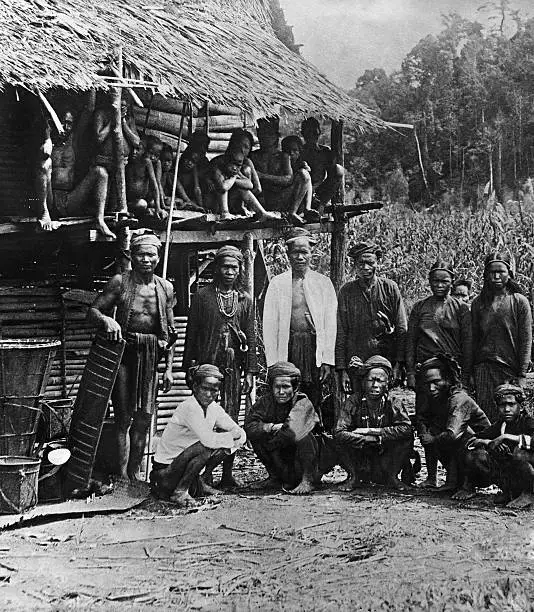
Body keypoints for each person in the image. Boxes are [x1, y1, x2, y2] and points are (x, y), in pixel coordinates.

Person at [87, 231, 176, 481]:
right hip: (124, 355)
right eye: (140, 254)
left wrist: (167, 368)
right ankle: (122, 474)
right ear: (131, 256)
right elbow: (92, 310)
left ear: (158, 257)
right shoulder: (120, 282)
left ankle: (136, 473)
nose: (146, 259)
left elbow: (170, 334)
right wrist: (106, 320)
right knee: (124, 417)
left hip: (151, 357)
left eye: (151, 254)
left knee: (144, 419)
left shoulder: (165, 288)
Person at [182, 245, 257, 488]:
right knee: (206, 419)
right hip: (208, 365)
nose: (229, 272)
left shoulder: (245, 300)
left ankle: (226, 473)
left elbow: (251, 336)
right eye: (225, 266)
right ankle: (202, 474)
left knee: (231, 418)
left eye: (234, 267)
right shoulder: (203, 297)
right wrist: (189, 367)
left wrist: (251, 371)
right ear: (217, 268)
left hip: (233, 367)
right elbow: (191, 334)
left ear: (240, 270)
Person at [406, 260, 472, 487]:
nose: (440, 285)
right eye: (435, 280)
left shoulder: (461, 309)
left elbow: (467, 345)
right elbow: (411, 341)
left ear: (452, 282)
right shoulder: (420, 307)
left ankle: (452, 475)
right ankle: (431, 475)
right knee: (425, 418)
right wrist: (410, 371)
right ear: (429, 282)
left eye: (445, 280)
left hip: (450, 374)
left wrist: (463, 378)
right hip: (426, 371)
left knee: (449, 421)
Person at [150, 364, 246, 507]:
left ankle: (201, 481)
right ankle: (180, 492)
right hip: (166, 473)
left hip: (183, 468)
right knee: (206, 446)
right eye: (205, 389)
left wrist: (236, 436)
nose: (209, 394)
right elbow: (208, 441)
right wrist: (231, 436)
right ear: (195, 387)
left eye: (214, 390)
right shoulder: (189, 407)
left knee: (223, 441)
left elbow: (239, 432)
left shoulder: (213, 408)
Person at [263, 228, 337, 409]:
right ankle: (288, 432)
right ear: (288, 255)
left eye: (304, 252)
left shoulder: (323, 283)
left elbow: (331, 323)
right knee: (287, 392)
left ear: (312, 254)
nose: (300, 257)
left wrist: (327, 359)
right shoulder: (277, 284)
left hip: (313, 348)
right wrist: (272, 363)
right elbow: (269, 326)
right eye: (295, 253)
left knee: (313, 393)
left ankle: (313, 432)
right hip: (288, 346)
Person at [245, 361, 337, 495]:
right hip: (281, 457)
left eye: (286, 387)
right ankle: (275, 477)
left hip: (308, 461)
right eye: (277, 387)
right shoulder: (265, 402)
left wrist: (273, 438)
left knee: (303, 435)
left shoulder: (302, 401)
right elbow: (249, 426)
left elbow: (292, 432)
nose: (281, 392)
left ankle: (308, 480)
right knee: (257, 435)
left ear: (294, 388)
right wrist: (271, 427)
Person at [336, 242, 407, 394]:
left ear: (377, 263)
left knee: (384, 402)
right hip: (356, 359)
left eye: (370, 263)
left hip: (385, 358)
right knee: (358, 404)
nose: (366, 268)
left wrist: (399, 364)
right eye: (361, 263)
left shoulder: (390, 288)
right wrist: (342, 370)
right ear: (354, 264)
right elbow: (341, 331)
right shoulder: (346, 291)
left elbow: (402, 329)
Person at [334, 356, 413, 491]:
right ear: (364, 382)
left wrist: (374, 433)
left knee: (406, 439)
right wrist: (362, 438)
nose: (375, 385)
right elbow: (339, 431)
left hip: (385, 451)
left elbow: (406, 428)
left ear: (387, 383)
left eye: (380, 381)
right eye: (371, 380)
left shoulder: (393, 401)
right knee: (338, 441)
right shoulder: (353, 401)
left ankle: (393, 476)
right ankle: (353, 476)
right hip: (360, 449)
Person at [472, 252, 532, 422]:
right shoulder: (479, 303)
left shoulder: (519, 301)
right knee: (486, 417)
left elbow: (525, 340)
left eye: (501, 271)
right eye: (492, 272)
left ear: (510, 273)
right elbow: (472, 340)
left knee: (509, 416)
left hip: (509, 369)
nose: (496, 276)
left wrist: (521, 374)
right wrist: (469, 373)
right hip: (484, 370)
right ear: (485, 274)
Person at [452, 383, 534, 508]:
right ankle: (508, 491)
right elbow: (476, 438)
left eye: (511, 404)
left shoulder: (528, 422)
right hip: (511, 475)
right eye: (502, 405)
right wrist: (489, 443)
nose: (506, 409)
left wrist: (506, 437)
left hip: (530, 475)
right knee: (476, 456)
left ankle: (528, 494)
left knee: (520, 452)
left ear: (521, 406)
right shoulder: (501, 425)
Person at [418, 355, 490, 494]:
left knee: (459, 432)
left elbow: (453, 435)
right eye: (427, 384)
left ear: (448, 380)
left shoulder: (459, 399)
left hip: (482, 459)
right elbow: (422, 417)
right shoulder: (437, 396)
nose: (431, 388)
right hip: (463, 453)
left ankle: (466, 486)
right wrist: (424, 432)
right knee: (433, 429)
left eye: (436, 382)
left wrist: (432, 439)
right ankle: (440, 480)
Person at [249, 119, 318, 224]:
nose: (265, 137)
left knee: (304, 174)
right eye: (261, 133)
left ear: (276, 136)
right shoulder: (253, 156)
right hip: (260, 202)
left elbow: (288, 179)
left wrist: (262, 176)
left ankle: (292, 213)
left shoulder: (283, 157)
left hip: (281, 199)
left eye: (269, 134)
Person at [202, 147, 277, 221]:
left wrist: (234, 179)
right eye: (232, 163)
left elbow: (250, 185)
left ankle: (262, 213)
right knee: (225, 182)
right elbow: (223, 187)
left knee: (243, 189)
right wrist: (234, 178)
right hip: (212, 205)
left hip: (229, 203)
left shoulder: (235, 172)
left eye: (238, 165)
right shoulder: (218, 170)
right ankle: (225, 213)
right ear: (226, 161)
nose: (235, 168)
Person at [300, 117, 344, 208]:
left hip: (319, 191)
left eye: (314, 132)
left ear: (319, 132)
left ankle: (321, 205)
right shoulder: (299, 151)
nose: (312, 136)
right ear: (303, 134)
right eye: (308, 133)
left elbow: (333, 176)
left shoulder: (325, 152)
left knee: (338, 169)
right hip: (301, 189)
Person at [125, 138, 158, 218]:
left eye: (138, 149)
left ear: (144, 151)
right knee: (142, 204)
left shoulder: (146, 162)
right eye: (132, 149)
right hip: (129, 201)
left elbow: (154, 185)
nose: (134, 152)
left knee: (153, 203)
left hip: (143, 198)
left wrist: (158, 208)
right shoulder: (127, 162)